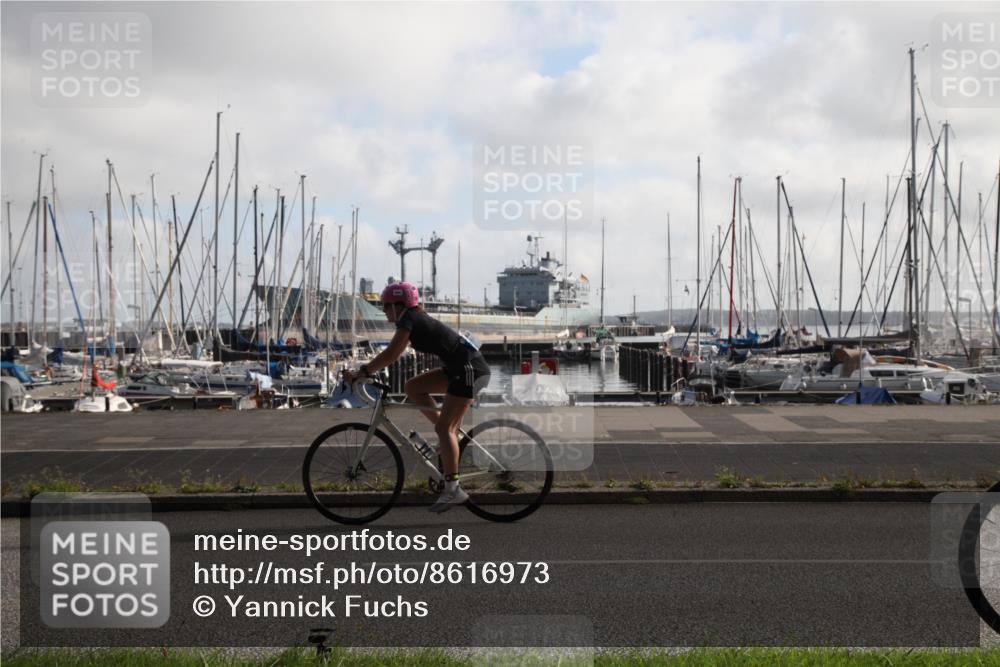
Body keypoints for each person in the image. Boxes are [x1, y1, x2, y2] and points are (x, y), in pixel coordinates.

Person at [343, 281, 490, 513]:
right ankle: (447, 440)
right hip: (458, 369)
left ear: (400, 305)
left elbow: (392, 353)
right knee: (412, 387)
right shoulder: (411, 319)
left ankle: (453, 489)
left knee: (444, 429)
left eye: (386, 305)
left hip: (470, 370)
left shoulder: (409, 320)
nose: (383, 310)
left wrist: (363, 372)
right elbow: (392, 354)